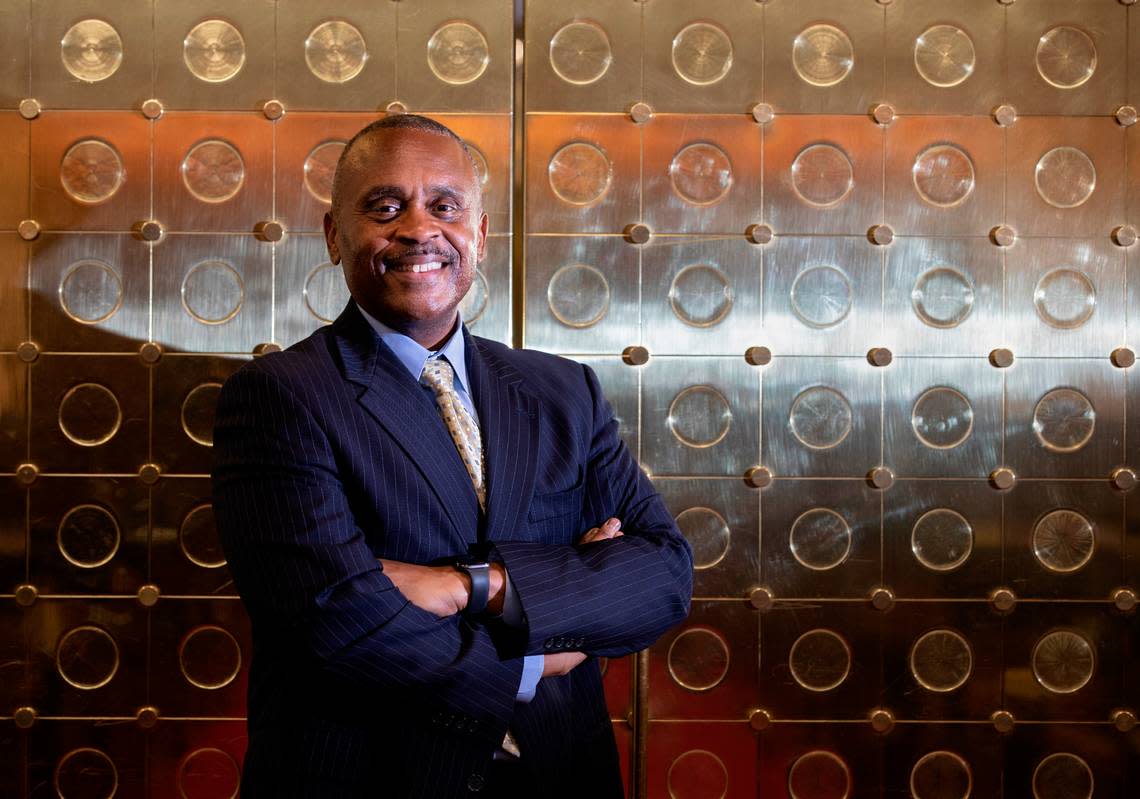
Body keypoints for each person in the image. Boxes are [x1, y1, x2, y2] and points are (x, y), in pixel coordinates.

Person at [212, 114, 693, 798]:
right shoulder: (280, 396)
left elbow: (663, 574)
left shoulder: (563, 390)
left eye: (445, 206)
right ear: (331, 233)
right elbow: (338, 621)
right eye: (384, 206)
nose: (418, 228)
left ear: (481, 236)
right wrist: (537, 658)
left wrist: (478, 584)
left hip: (563, 772)